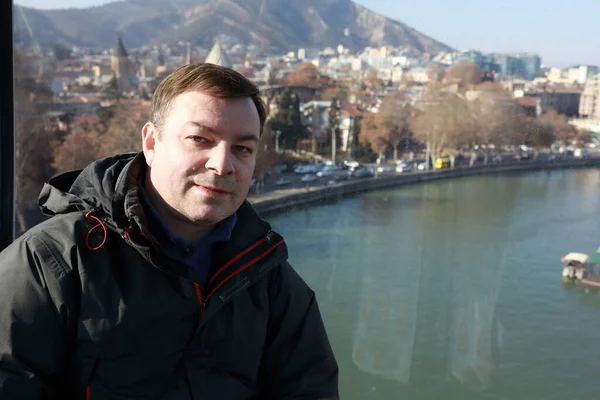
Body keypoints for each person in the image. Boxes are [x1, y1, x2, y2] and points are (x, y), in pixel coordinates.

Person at [0, 63, 339, 399]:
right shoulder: (50, 263)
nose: (222, 165)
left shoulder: (269, 277)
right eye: (199, 139)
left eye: (242, 148)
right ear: (151, 143)